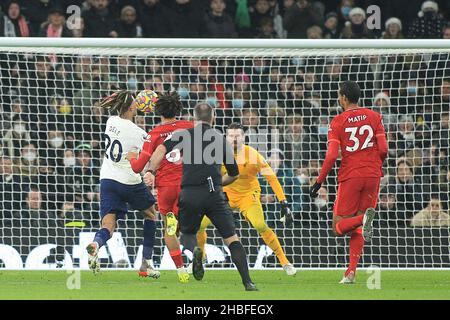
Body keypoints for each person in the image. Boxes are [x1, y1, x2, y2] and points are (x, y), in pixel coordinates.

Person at [147, 103, 258, 291]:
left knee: (188, 232)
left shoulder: (183, 134)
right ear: (213, 118)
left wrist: (150, 170)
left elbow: (160, 151)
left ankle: (193, 253)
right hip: (214, 193)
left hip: (189, 193)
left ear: (194, 118)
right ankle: (248, 282)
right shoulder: (219, 139)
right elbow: (234, 173)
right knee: (231, 238)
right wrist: (218, 182)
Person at [310, 81, 388, 284]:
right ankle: (351, 272)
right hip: (373, 175)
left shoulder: (338, 121)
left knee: (338, 227)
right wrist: (374, 164)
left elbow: (331, 156)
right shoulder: (374, 117)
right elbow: (384, 150)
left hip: (351, 176)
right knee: (359, 226)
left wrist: (319, 182)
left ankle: (363, 220)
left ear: (343, 97)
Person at [196, 124, 296, 276]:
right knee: (199, 225)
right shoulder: (216, 154)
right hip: (224, 196)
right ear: (226, 137)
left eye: (237, 136)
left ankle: (284, 261)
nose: (234, 139)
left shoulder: (254, 155)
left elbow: (272, 179)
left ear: (243, 137)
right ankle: (201, 259)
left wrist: (283, 202)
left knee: (260, 224)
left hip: (247, 195)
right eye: (231, 135)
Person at [85, 90, 159, 279]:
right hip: (129, 180)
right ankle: (146, 263)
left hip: (108, 179)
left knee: (108, 223)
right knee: (151, 214)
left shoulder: (110, 121)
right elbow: (151, 154)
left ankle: (95, 244)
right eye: (135, 101)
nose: (137, 103)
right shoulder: (138, 133)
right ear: (132, 107)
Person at [126, 92, 193, 283]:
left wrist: (132, 158)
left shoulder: (153, 134)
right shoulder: (191, 127)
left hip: (166, 186)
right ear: (178, 109)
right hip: (189, 184)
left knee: (168, 229)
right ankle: (192, 252)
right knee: (191, 225)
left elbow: (139, 167)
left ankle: (181, 270)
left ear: (157, 111)